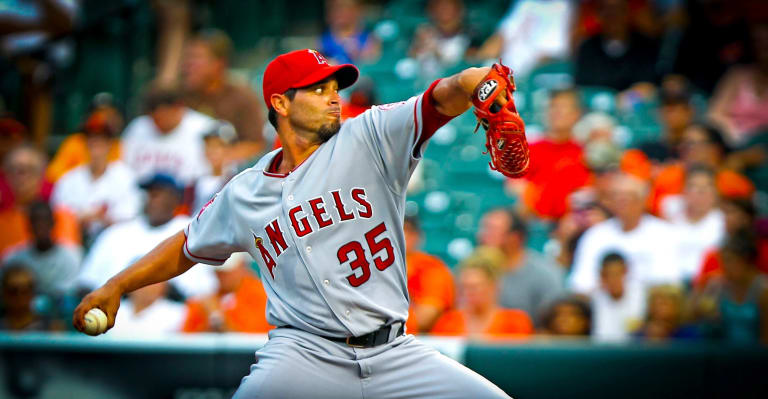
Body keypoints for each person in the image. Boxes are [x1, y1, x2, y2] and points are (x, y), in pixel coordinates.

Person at [74, 48, 517, 398]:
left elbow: (445, 94)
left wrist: (478, 83)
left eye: (335, 88)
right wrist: (116, 285)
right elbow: (185, 247)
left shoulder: (371, 136)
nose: (333, 97)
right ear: (280, 103)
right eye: (318, 89)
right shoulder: (244, 192)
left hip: (394, 350)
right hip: (304, 354)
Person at [76, 173, 216, 299]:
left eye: (157, 194)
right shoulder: (117, 233)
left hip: (173, 318)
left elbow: (206, 291)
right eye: (148, 194)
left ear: (175, 199)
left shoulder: (192, 230)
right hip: (117, 316)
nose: (151, 200)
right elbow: (85, 283)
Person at [568, 173, 681, 294]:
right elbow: (581, 282)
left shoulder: (664, 234)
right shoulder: (595, 235)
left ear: (643, 201)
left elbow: (668, 281)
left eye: (628, 197)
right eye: (617, 197)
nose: (622, 202)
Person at [51, 112, 141, 240]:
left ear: (110, 143)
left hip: (112, 242)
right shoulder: (68, 179)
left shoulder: (124, 176)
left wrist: (102, 218)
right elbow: (58, 219)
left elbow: (130, 219)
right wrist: (84, 217)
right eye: (91, 139)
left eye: (101, 139)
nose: (96, 144)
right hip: (76, 241)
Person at [181, 29, 266, 157]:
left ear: (219, 63)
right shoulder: (179, 96)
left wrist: (219, 158)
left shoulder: (242, 97)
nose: (188, 64)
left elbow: (256, 145)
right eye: (187, 57)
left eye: (197, 57)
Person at [477, 208, 564, 325]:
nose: (482, 236)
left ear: (515, 237)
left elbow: (554, 323)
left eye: (491, 230)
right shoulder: (473, 271)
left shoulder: (544, 274)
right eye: (484, 229)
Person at [513, 88, 590, 219]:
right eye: (552, 106)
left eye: (563, 107)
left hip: (572, 221)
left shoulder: (585, 153)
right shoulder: (528, 149)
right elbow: (515, 186)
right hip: (533, 218)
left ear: (577, 114)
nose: (556, 112)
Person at [121, 87, 216, 187]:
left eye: (162, 117)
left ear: (178, 108)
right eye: (154, 118)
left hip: (189, 196)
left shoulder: (204, 127)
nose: (157, 123)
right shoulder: (138, 127)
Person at [430, 249, 533, 338]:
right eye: (464, 287)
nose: (468, 293)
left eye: (475, 287)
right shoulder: (448, 322)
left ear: (493, 286)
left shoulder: (515, 322)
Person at [692, 232, 768, 344]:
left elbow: (766, 337)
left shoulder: (763, 289)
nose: (724, 267)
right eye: (722, 261)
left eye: (729, 261)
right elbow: (697, 316)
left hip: (756, 356)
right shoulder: (718, 284)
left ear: (745, 261)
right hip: (724, 354)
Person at [573, 0, 660, 92]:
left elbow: (649, 88)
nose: (613, 15)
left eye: (618, 9)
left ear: (628, 13)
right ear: (599, 14)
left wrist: (628, 99)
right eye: (607, 10)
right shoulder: (587, 48)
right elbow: (582, 88)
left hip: (636, 105)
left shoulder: (645, 46)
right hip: (596, 104)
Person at [3, 201, 81, 298]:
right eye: (36, 221)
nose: (40, 226)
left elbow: (69, 293)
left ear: (53, 223)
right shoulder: (13, 259)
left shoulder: (71, 255)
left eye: (45, 221)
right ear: (28, 225)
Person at [660, 165, 725, 281]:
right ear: (683, 189)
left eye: (705, 188)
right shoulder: (669, 207)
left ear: (715, 193)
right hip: (669, 279)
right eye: (693, 187)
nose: (699, 193)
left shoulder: (721, 221)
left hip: (703, 282)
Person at [182, 252, 272, 333]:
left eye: (227, 271)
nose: (221, 276)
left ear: (242, 266)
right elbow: (185, 340)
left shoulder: (261, 295)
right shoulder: (206, 298)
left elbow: (250, 341)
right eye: (218, 272)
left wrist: (216, 317)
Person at [402, 216, 455, 334]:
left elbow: (425, 319)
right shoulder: (372, 267)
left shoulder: (430, 267)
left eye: (404, 230)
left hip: (427, 341)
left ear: (415, 236)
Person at [590, 252, 645, 342]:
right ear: (601, 275)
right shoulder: (595, 298)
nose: (613, 279)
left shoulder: (641, 295)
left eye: (618, 274)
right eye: (608, 275)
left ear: (626, 271)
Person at [108, 281, 186, 336]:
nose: (147, 285)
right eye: (140, 279)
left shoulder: (179, 313)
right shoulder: (111, 310)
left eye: (155, 280)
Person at [318, 0, 380, 64]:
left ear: (356, 11)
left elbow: (372, 64)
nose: (339, 13)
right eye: (336, 9)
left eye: (345, 9)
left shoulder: (369, 39)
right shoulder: (324, 39)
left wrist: (360, 56)